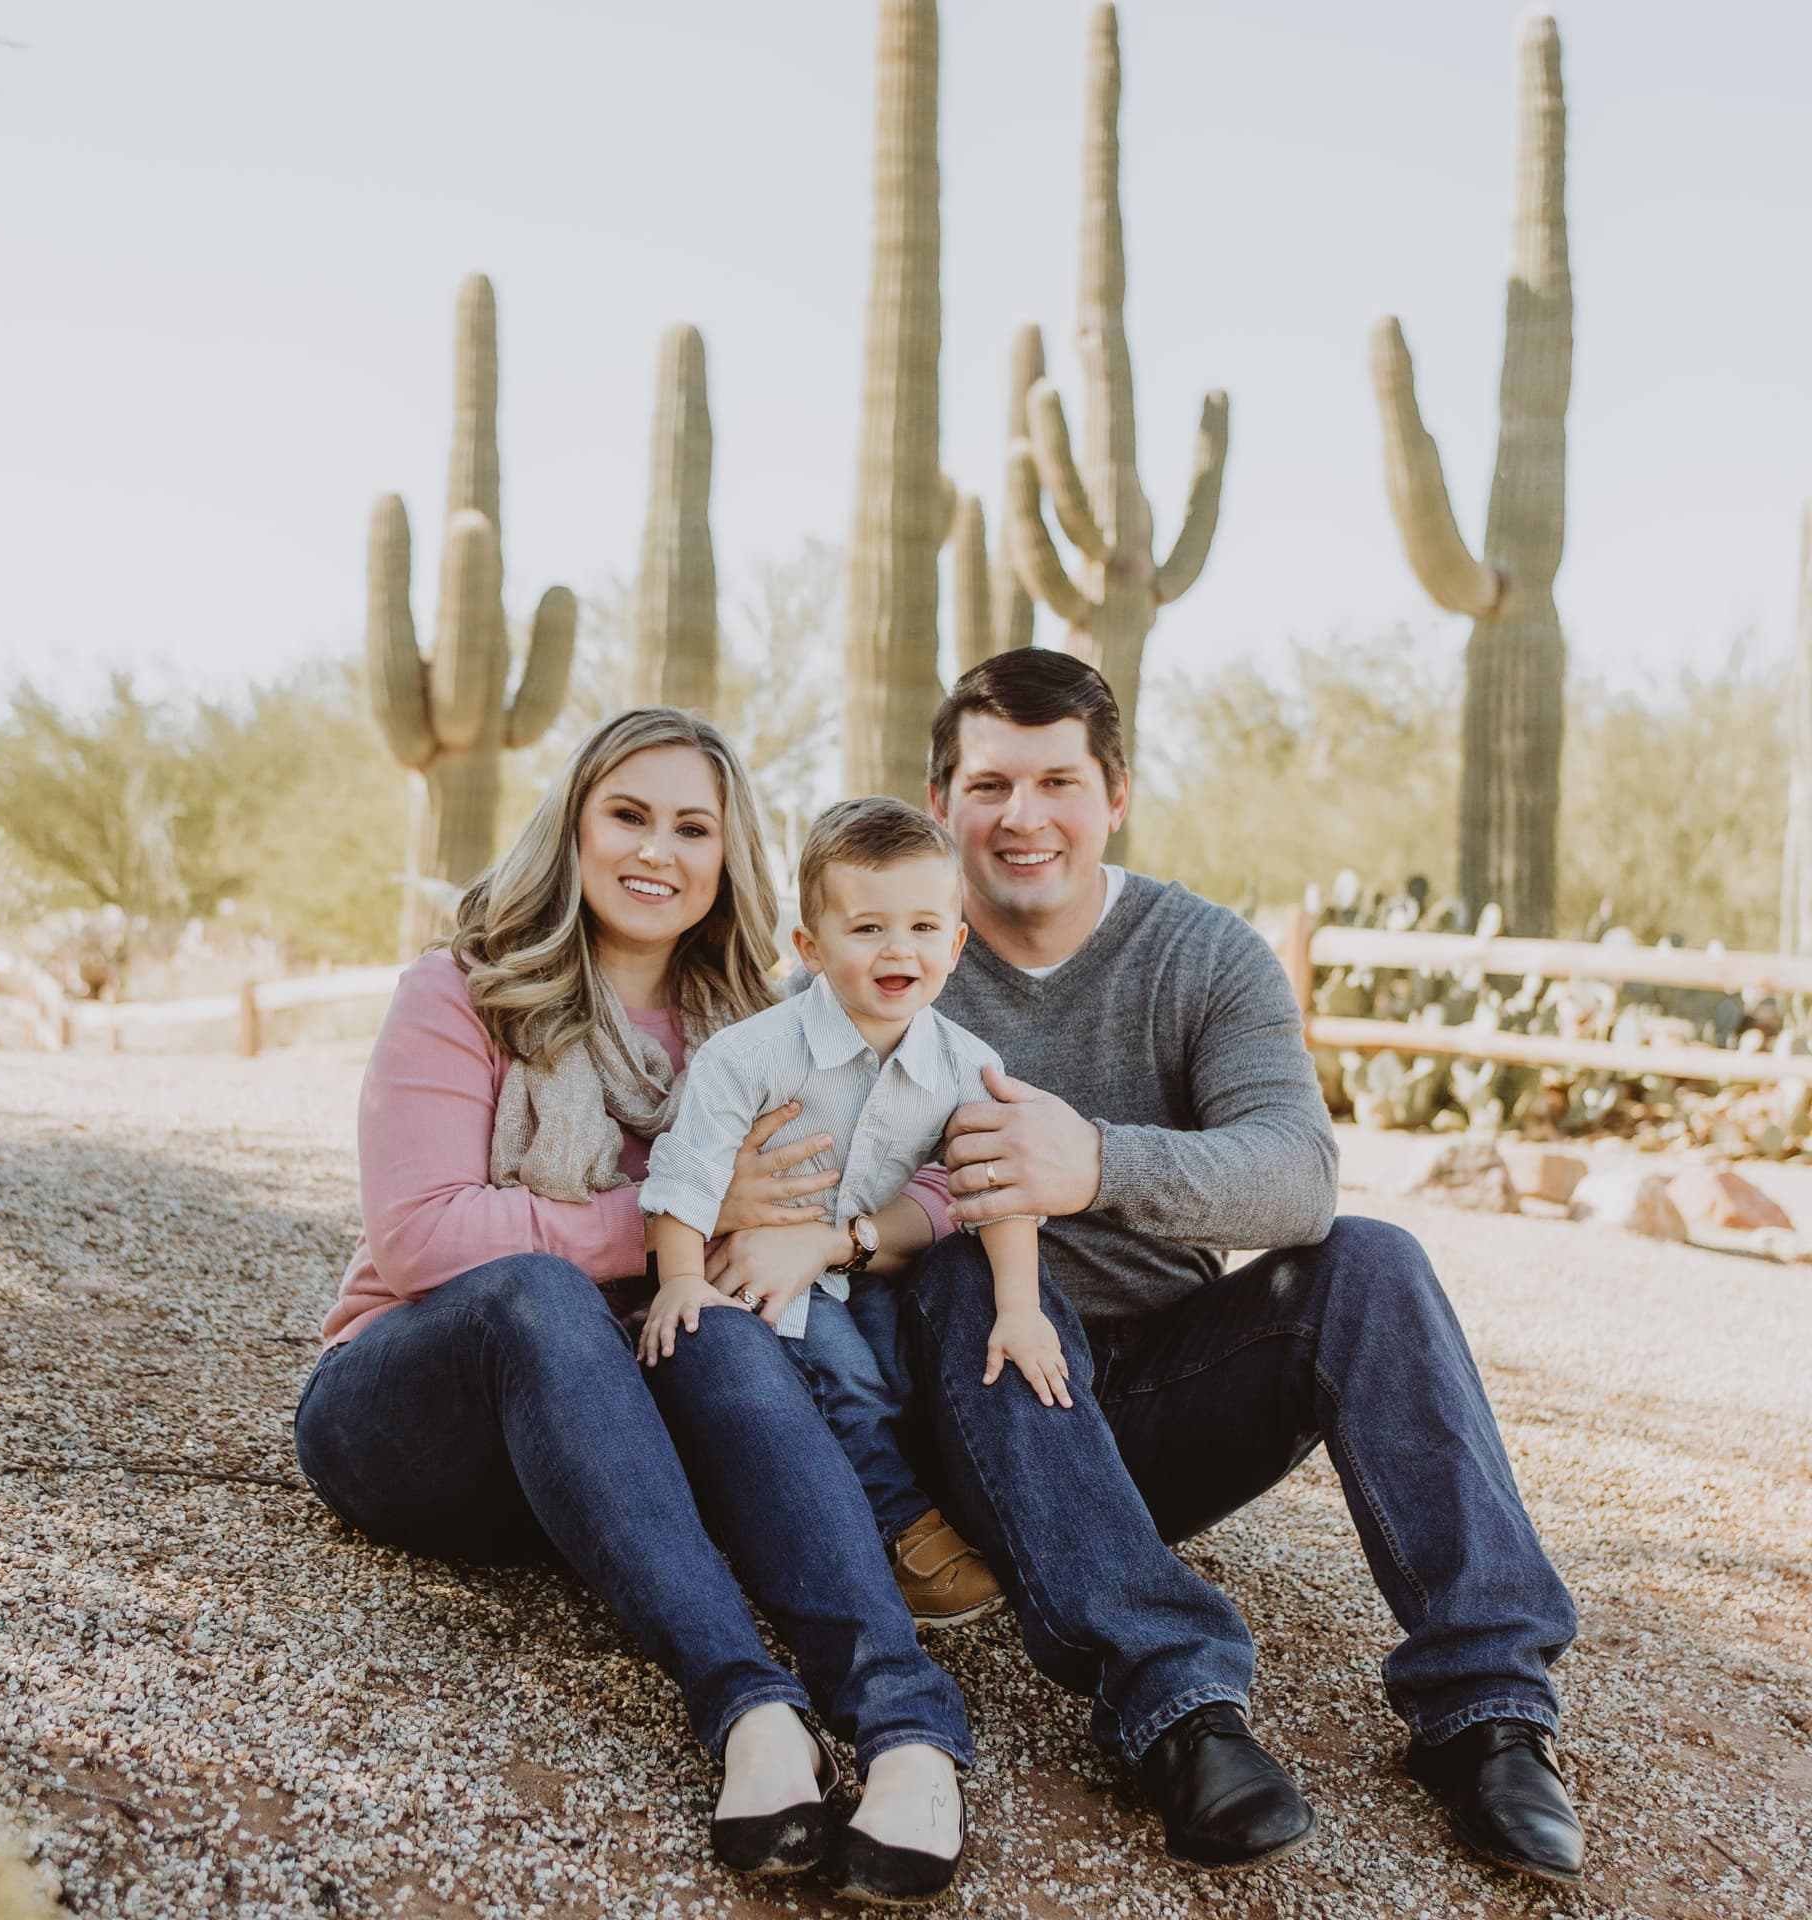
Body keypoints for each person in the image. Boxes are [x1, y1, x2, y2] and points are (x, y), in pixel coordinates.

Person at [885, 650, 1586, 1887]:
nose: (1023, 817)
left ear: (1117, 794)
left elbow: (1297, 1178)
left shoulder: (1202, 957)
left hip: (1154, 1404)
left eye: (1058, 781)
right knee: (960, 1266)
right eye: (990, 784)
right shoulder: (880, 956)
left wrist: (1092, 1163)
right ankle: (1179, 1712)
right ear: (941, 801)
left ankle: (1488, 1711)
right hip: (973, 1415)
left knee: (1372, 1259)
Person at [294, 708, 972, 1902]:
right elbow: (420, 1237)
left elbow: (922, 1144)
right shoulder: (464, 993)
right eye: (629, 814)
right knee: (549, 1294)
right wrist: (683, 1214)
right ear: (574, 824)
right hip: (415, 1412)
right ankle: (749, 1713)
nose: (658, 850)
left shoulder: (761, 1034)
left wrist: (838, 1234)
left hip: (609, 1451)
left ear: (727, 858)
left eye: (692, 826)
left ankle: (910, 1735)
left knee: (711, 1321)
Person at [638, 797, 1069, 1629]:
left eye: (920, 927)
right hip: (768, 1279)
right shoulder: (752, 1055)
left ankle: (884, 1510)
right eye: (867, 928)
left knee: (905, 1379)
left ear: (956, 941)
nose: (897, 949)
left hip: (861, 1269)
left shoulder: (966, 1064)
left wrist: (1020, 1309)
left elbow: (999, 1188)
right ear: (811, 947)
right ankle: (900, 1536)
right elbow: (684, 1173)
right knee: (850, 1384)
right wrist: (679, 1283)